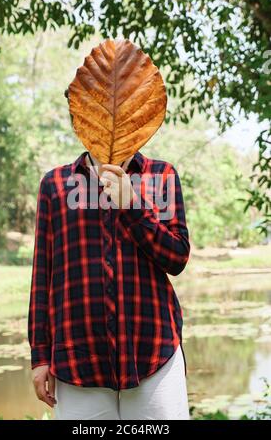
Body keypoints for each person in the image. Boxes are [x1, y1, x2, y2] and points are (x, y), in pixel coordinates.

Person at [28, 146, 191, 420]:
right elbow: (43, 273)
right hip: (78, 356)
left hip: (153, 349)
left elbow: (177, 259)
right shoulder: (55, 184)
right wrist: (40, 355)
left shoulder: (161, 175)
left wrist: (132, 206)